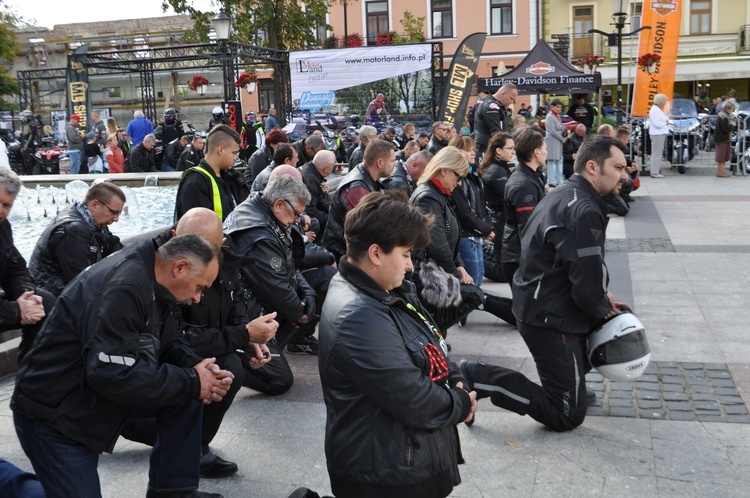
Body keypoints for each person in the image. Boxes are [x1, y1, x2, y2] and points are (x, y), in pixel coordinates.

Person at [12, 233, 230, 498]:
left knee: (188, 393)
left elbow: (168, 341)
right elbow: (110, 373)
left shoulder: (156, 276)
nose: (198, 298)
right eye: (200, 287)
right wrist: (193, 381)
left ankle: (172, 491)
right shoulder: (127, 285)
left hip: (94, 394)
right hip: (54, 414)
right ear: (180, 267)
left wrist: (199, 371)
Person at [459, 135, 631, 432]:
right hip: (550, 317)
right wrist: (602, 307)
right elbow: (585, 282)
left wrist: (601, 299)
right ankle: (477, 376)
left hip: (543, 306)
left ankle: (569, 379)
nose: (624, 176)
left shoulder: (565, 192)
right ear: (593, 167)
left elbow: (571, 265)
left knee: (603, 333)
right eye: (618, 167)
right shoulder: (582, 207)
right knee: (566, 415)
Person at [319, 191, 476, 498]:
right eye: (405, 255)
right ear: (375, 253)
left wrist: (454, 374)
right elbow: (412, 396)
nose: (409, 266)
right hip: (386, 474)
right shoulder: (360, 314)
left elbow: (429, 342)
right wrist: (460, 403)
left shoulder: (384, 289)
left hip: (401, 460)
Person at [121, 208, 280, 479]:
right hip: (160, 354)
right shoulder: (146, 275)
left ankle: (192, 447)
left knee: (264, 376)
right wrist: (240, 338)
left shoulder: (221, 258)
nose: (197, 297)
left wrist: (248, 335)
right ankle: (166, 436)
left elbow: (236, 299)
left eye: (212, 249)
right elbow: (165, 340)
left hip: (206, 341)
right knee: (213, 373)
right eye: (197, 288)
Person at [409, 147, 516, 333]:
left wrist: (458, 265)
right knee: (466, 300)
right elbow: (438, 242)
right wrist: (455, 271)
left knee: (471, 296)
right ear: (444, 170)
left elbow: (446, 237)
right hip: (429, 273)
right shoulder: (428, 196)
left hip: (436, 269)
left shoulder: (436, 194)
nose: (459, 183)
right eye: (458, 177)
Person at [224, 174, 317, 354]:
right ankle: (250, 355)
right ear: (279, 204)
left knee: (321, 279)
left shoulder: (260, 206)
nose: (298, 219)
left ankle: (283, 343)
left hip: (257, 294)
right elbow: (277, 288)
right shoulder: (259, 234)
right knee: (279, 379)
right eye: (297, 213)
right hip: (244, 309)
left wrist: (308, 291)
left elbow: (286, 263)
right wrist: (299, 313)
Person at [29, 181, 125, 298]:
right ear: (95, 205)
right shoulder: (74, 230)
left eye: (119, 214)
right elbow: (82, 281)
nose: (116, 219)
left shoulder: (91, 220)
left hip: (65, 292)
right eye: (114, 212)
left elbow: (114, 246)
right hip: (54, 300)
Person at [0, 168, 54, 362]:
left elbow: (15, 267)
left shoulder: (3, 226)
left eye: (6, 205)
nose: (1, 210)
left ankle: (32, 380)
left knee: (44, 301)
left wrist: (26, 295)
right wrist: (17, 311)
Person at [322, 139, 396, 260]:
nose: (395, 164)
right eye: (392, 160)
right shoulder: (357, 188)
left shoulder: (367, 177)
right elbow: (367, 228)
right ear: (380, 162)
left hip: (349, 249)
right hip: (342, 253)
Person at [174, 124, 248, 222]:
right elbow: (194, 229)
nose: (237, 157)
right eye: (234, 153)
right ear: (221, 150)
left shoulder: (232, 177)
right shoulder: (195, 183)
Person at [501, 128, 547, 282]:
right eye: (544, 148)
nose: (547, 152)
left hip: (521, 255)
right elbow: (528, 227)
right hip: (519, 257)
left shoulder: (531, 176)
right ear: (536, 152)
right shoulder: (524, 184)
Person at [449, 136, 494, 287]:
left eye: (473, 150)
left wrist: (486, 227)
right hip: (465, 235)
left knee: (478, 274)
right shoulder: (456, 179)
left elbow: (480, 206)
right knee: (472, 279)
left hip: (475, 234)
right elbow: (464, 212)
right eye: (468, 150)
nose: (473, 153)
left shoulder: (471, 177)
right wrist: (486, 229)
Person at [479, 132, 514, 276]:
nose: (513, 152)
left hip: (501, 218)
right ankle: (479, 263)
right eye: (510, 148)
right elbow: (509, 196)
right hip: (500, 219)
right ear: (498, 150)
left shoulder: (500, 167)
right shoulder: (495, 171)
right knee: (502, 271)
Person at [474, 83, 518, 163]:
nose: (511, 102)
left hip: (493, 149)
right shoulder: (491, 106)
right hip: (487, 150)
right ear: (503, 93)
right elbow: (496, 133)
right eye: (511, 98)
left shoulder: (499, 106)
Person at [300, 150, 336, 236]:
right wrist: (331, 219)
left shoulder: (309, 168)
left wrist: (324, 194)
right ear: (327, 169)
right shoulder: (311, 181)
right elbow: (310, 211)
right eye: (333, 166)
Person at [544, 98, 568, 188]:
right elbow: (551, 131)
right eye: (557, 107)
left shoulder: (557, 116)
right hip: (552, 140)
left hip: (557, 141)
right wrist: (562, 138)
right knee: (552, 161)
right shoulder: (549, 116)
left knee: (559, 160)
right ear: (552, 107)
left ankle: (559, 180)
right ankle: (551, 180)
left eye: (560, 107)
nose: (559, 109)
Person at [648, 93, 669, 178]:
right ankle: (654, 172)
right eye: (664, 102)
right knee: (656, 154)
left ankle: (655, 171)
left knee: (657, 153)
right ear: (661, 102)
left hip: (658, 133)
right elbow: (657, 124)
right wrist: (665, 123)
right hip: (657, 133)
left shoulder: (656, 109)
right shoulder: (655, 110)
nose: (665, 103)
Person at [715, 99, 736, 178]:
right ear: (729, 107)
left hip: (722, 138)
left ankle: (721, 171)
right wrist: (732, 125)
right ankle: (720, 172)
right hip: (722, 138)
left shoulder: (723, 114)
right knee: (721, 156)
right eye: (732, 108)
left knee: (722, 156)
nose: (733, 110)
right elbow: (726, 128)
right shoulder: (724, 116)